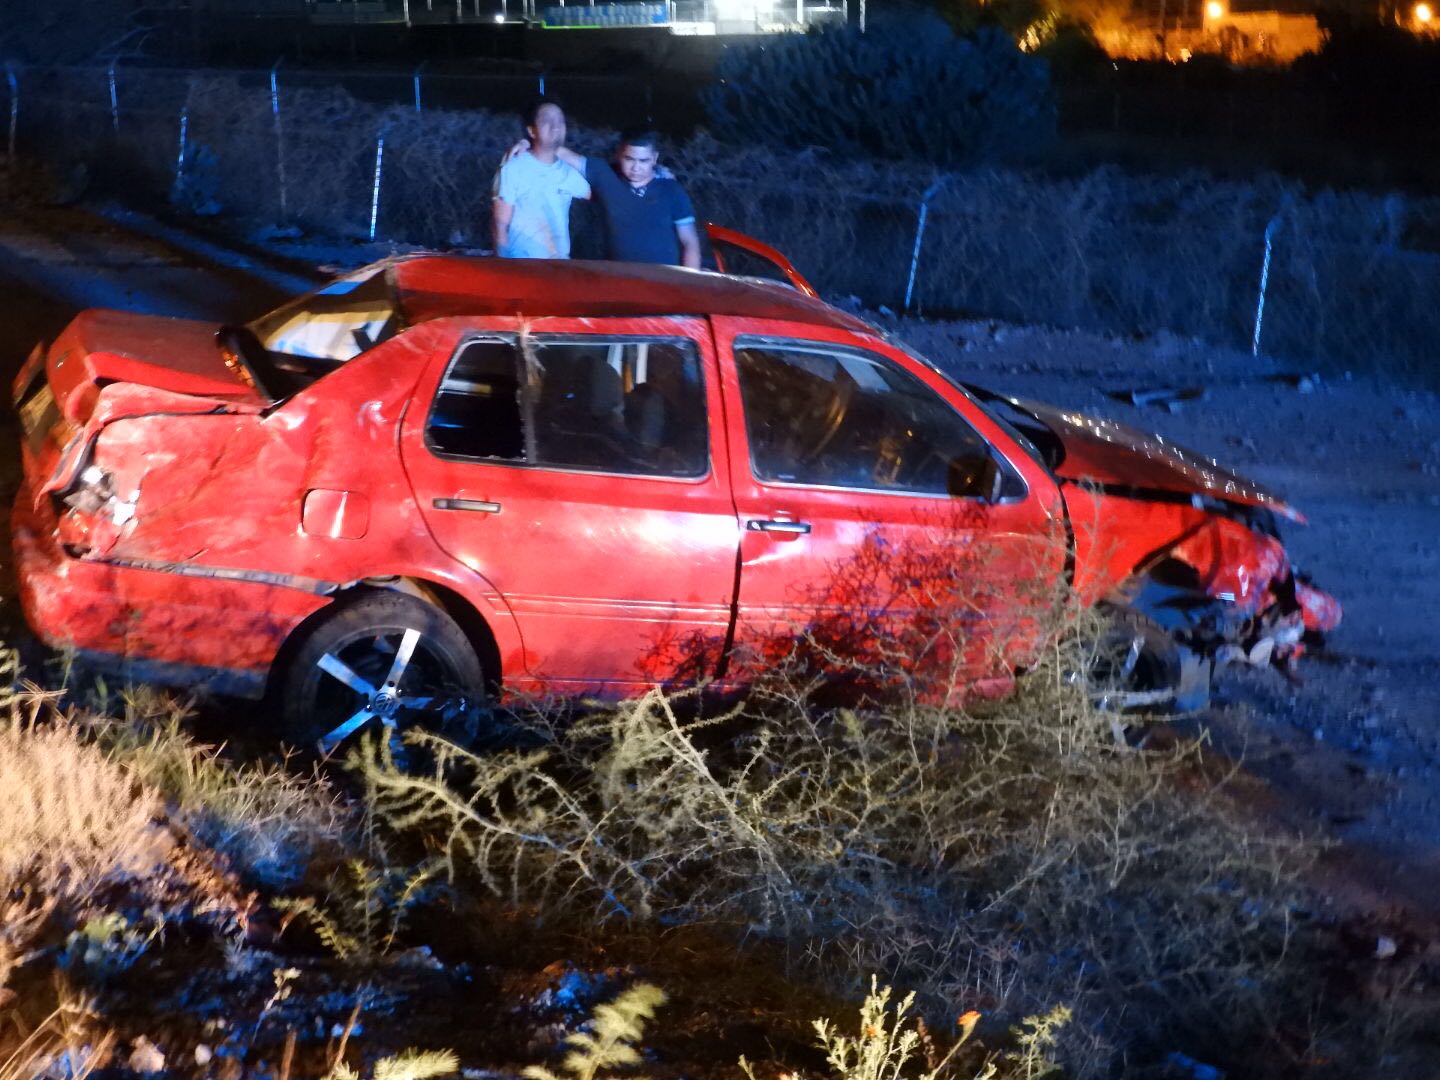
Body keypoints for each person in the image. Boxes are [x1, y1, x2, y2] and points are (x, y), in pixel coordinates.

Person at [507, 129, 701, 269]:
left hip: (666, 283)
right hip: (619, 282)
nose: (636, 167)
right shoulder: (605, 176)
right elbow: (560, 152)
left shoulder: (671, 190)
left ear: (655, 158)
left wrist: (689, 286)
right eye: (629, 159)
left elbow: (690, 241)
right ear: (619, 155)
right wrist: (528, 142)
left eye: (644, 161)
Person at [491, 100, 591, 259]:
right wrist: (504, 268)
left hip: (559, 267)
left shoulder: (570, 173)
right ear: (532, 131)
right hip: (523, 267)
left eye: (560, 120)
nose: (555, 126)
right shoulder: (513, 167)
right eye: (547, 121)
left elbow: (601, 193)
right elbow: (500, 225)